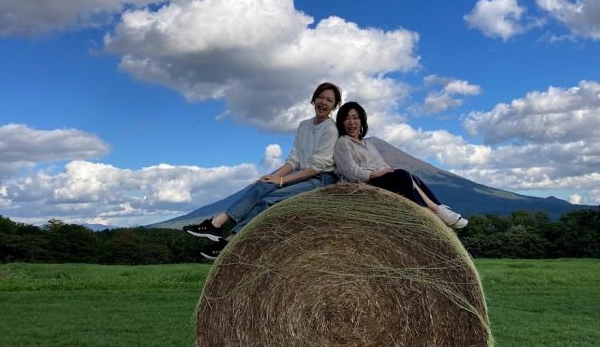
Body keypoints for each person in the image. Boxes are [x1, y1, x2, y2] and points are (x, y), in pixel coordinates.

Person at [184, 82, 342, 258]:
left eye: (329, 100)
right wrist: (272, 177)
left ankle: (231, 242)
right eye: (320, 97)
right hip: (301, 174)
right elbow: (294, 160)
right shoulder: (304, 125)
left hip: (320, 179)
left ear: (334, 106)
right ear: (314, 99)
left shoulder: (330, 129)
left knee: (269, 199)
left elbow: (317, 167)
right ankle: (216, 225)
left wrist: (281, 181)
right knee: (261, 185)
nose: (323, 102)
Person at [333, 101, 467, 229]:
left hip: (377, 180)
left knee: (411, 177)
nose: (351, 123)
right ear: (341, 122)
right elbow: (350, 171)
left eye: (355, 118)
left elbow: (381, 164)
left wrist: (387, 171)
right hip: (361, 184)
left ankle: (437, 209)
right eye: (347, 119)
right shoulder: (343, 142)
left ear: (361, 120)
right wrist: (377, 173)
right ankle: (435, 210)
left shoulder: (368, 144)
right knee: (402, 175)